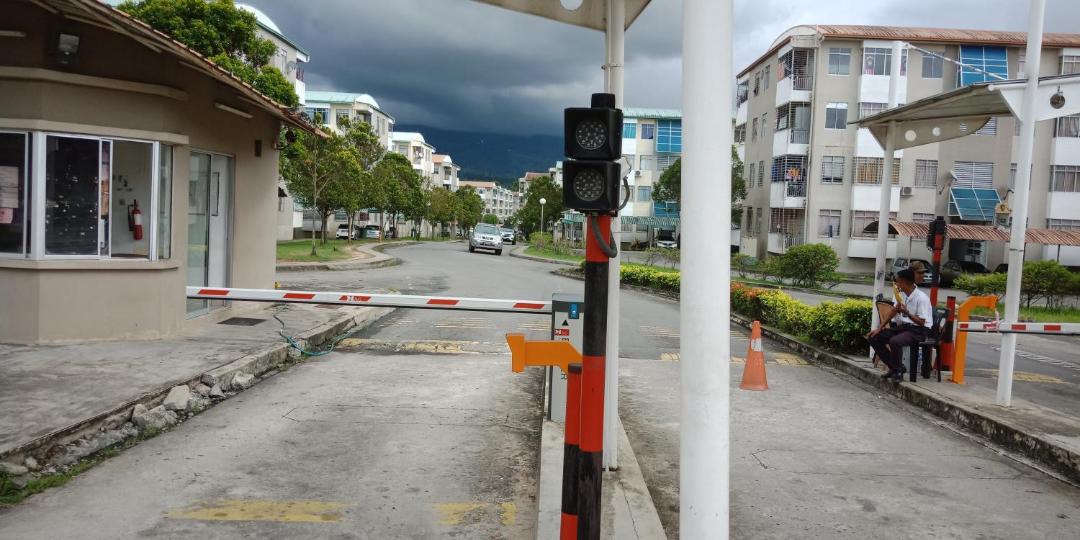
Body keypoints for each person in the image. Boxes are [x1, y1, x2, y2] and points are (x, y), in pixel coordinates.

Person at [867, 268, 933, 381]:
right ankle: (896, 367)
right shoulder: (901, 294)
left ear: (903, 282)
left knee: (895, 341)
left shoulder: (921, 298)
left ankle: (897, 371)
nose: (896, 284)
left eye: (897, 281)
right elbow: (894, 311)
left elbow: (922, 322)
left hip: (919, 330)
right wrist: (879, 328)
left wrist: (907, 313)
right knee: (873, 337)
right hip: (905, 327)